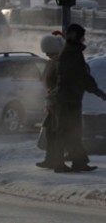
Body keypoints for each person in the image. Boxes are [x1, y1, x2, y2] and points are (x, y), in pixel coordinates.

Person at [51, 23, 106, 173]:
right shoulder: (71, 53)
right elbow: (82, 77)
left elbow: (81, 76)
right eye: (82, 36)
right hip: (67, 99)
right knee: (65, 133)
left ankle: (77, 162)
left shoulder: (71, 51)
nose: (84, 39)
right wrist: (98, 92)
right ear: (75, 36)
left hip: (70, 98)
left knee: (72, 132)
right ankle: (61, 164)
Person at [36, 32, 66, 169]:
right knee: (50, 132)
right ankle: (50, 159)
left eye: (49, 52)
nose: (47, 55)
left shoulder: (61, 63)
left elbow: (60, 84)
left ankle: (57, 161)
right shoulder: (53, 63)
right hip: (53, 103)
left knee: (57, 133)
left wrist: (51, 97)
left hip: (59, 103)